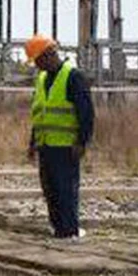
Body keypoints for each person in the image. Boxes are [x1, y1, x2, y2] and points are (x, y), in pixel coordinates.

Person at [24, 36, 95, 240]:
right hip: (46, 145)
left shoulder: (73, 77)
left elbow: (86, 113)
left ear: (48, 55)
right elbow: (40, 114)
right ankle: (58, 230)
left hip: (66, 146)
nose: (36, 66)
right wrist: (32, 143)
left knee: (66, 190)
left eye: (37, 60)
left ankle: (69, 231)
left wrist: (82, 142)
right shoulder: (42, 80)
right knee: (50, 190)